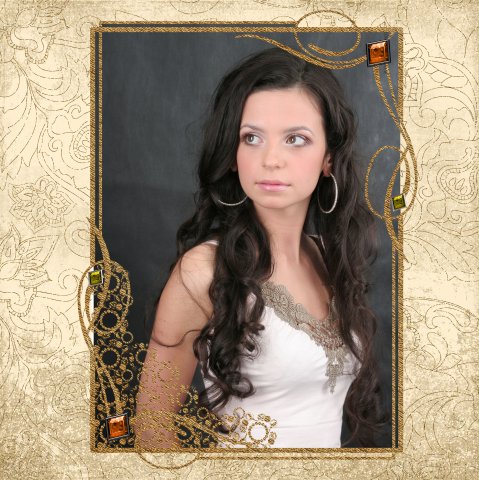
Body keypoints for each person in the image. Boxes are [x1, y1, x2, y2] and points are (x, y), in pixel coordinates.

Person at [135, 47, 385, 449]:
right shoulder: (203, 271)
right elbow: (151, 431)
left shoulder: (329, 258)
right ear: (233, 155)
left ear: (328, 158)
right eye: (251, 138)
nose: (271, 159)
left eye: (296, 139)